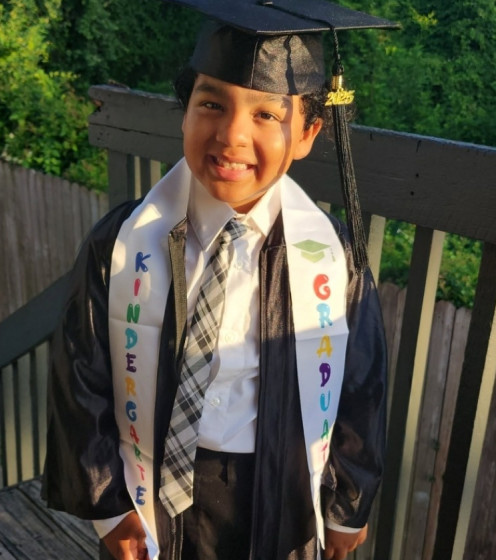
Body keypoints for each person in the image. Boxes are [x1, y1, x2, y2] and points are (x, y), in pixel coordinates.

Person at [43, 2, 395, 559]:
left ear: (307, 133)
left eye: (266, 115)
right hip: (151, 482)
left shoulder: (333, 258)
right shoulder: (121, 242)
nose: (231, 135)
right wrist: (108, 506)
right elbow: (80, 373)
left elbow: (361, 387)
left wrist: (349, 505)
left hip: (279, 486)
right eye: (211, 104)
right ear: (184, 114)